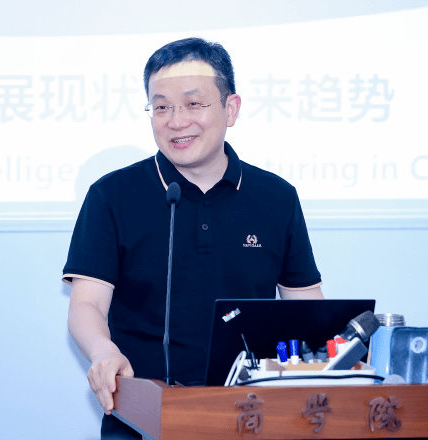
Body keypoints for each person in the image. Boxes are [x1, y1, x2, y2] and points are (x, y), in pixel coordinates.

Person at [63, 37, 323, 439]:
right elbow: (87, 304)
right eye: (161, 107)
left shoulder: (276, 197)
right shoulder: (112, 195)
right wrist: (103, 351)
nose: (176, 121)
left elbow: (306, 307)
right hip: (141, 417)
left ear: (230, 108)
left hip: (252, 418)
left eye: (194, 104)